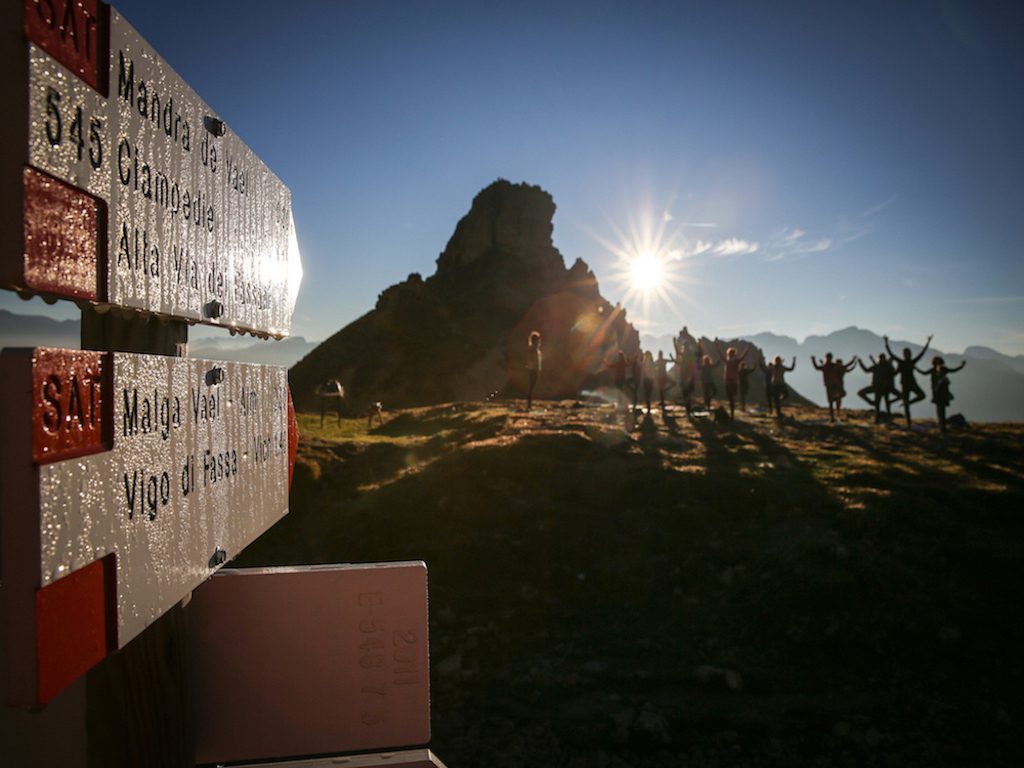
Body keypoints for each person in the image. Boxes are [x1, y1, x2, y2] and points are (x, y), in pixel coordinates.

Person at [885, 333, 932, 426]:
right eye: (907, 354)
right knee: (918, 397)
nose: (907, 355)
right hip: (908, 384)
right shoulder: (908, 362)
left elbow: (892, 355)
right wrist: (928, 342)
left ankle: (908, 408)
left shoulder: (904, 362)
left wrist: (886, 343)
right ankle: (908, 422)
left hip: (908, 384)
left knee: (916, 398)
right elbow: (922, 353)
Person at [918, 355, 966, 432]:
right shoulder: (941, 370)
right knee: (940, 408)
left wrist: (961, 366)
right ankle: (942, 424)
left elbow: (924, 373)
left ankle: (942, 425)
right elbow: (953, 370)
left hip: (939, 391)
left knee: (940, 408)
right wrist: (961, 366)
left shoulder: (937, 370)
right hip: (939, 391)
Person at [812, 353, 858, 422]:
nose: (828, 359)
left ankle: (835, 403)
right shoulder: (825, 366)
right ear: (827, 358)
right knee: (831, 402)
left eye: (829, 358)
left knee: (840, 395)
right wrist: (813, 360)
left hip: (834, 385)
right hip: (829, 385)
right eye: (828, 358)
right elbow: (817, 367)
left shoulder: (833, 365)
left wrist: (853, 361)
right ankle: (832, 418)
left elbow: (845, 366)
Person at [716, 341, 750, 420]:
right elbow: (721, 356)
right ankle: (732, 414)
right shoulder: (728, 361)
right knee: (731, 398)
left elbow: (743, 356)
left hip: (732, 382)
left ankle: (732, 414)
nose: (731, 355)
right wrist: (717, 348)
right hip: (730, 382)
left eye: (732, 353)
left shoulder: (734, 361)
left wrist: (747, 350)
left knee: (731, 398)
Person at [857, 354, 895, 423]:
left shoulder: (881, 367)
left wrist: (861, 363)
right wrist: (861, 363)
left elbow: (866, 370)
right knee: (876, 403)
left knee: (877, 404)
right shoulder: (883, 367)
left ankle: (877, 419)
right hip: (877, 387)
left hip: (879, 388)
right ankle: (873, 405)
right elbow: (866, 370)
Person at [696, 341, 721, 410]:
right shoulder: (704, 366)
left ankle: (708, 404)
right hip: (705, 382)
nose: (707, 361)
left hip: (708, 381)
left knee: (711, 392)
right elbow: (698, 366)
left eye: (707, 360)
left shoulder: (708, 366)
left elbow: (715, 365)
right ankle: (708, 406)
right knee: (707, 393)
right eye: (706, 360)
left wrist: (719, 361)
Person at [526, 331, 542, 410]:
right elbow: (531, 360)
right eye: (537, 339)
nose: (539, 341)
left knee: (532, 387)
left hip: (533, 369)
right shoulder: (532, 349)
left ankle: (530, 404)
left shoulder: (534, 349)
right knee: (531, 387)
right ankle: (529, 405)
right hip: (533, 369)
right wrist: (533, 367)